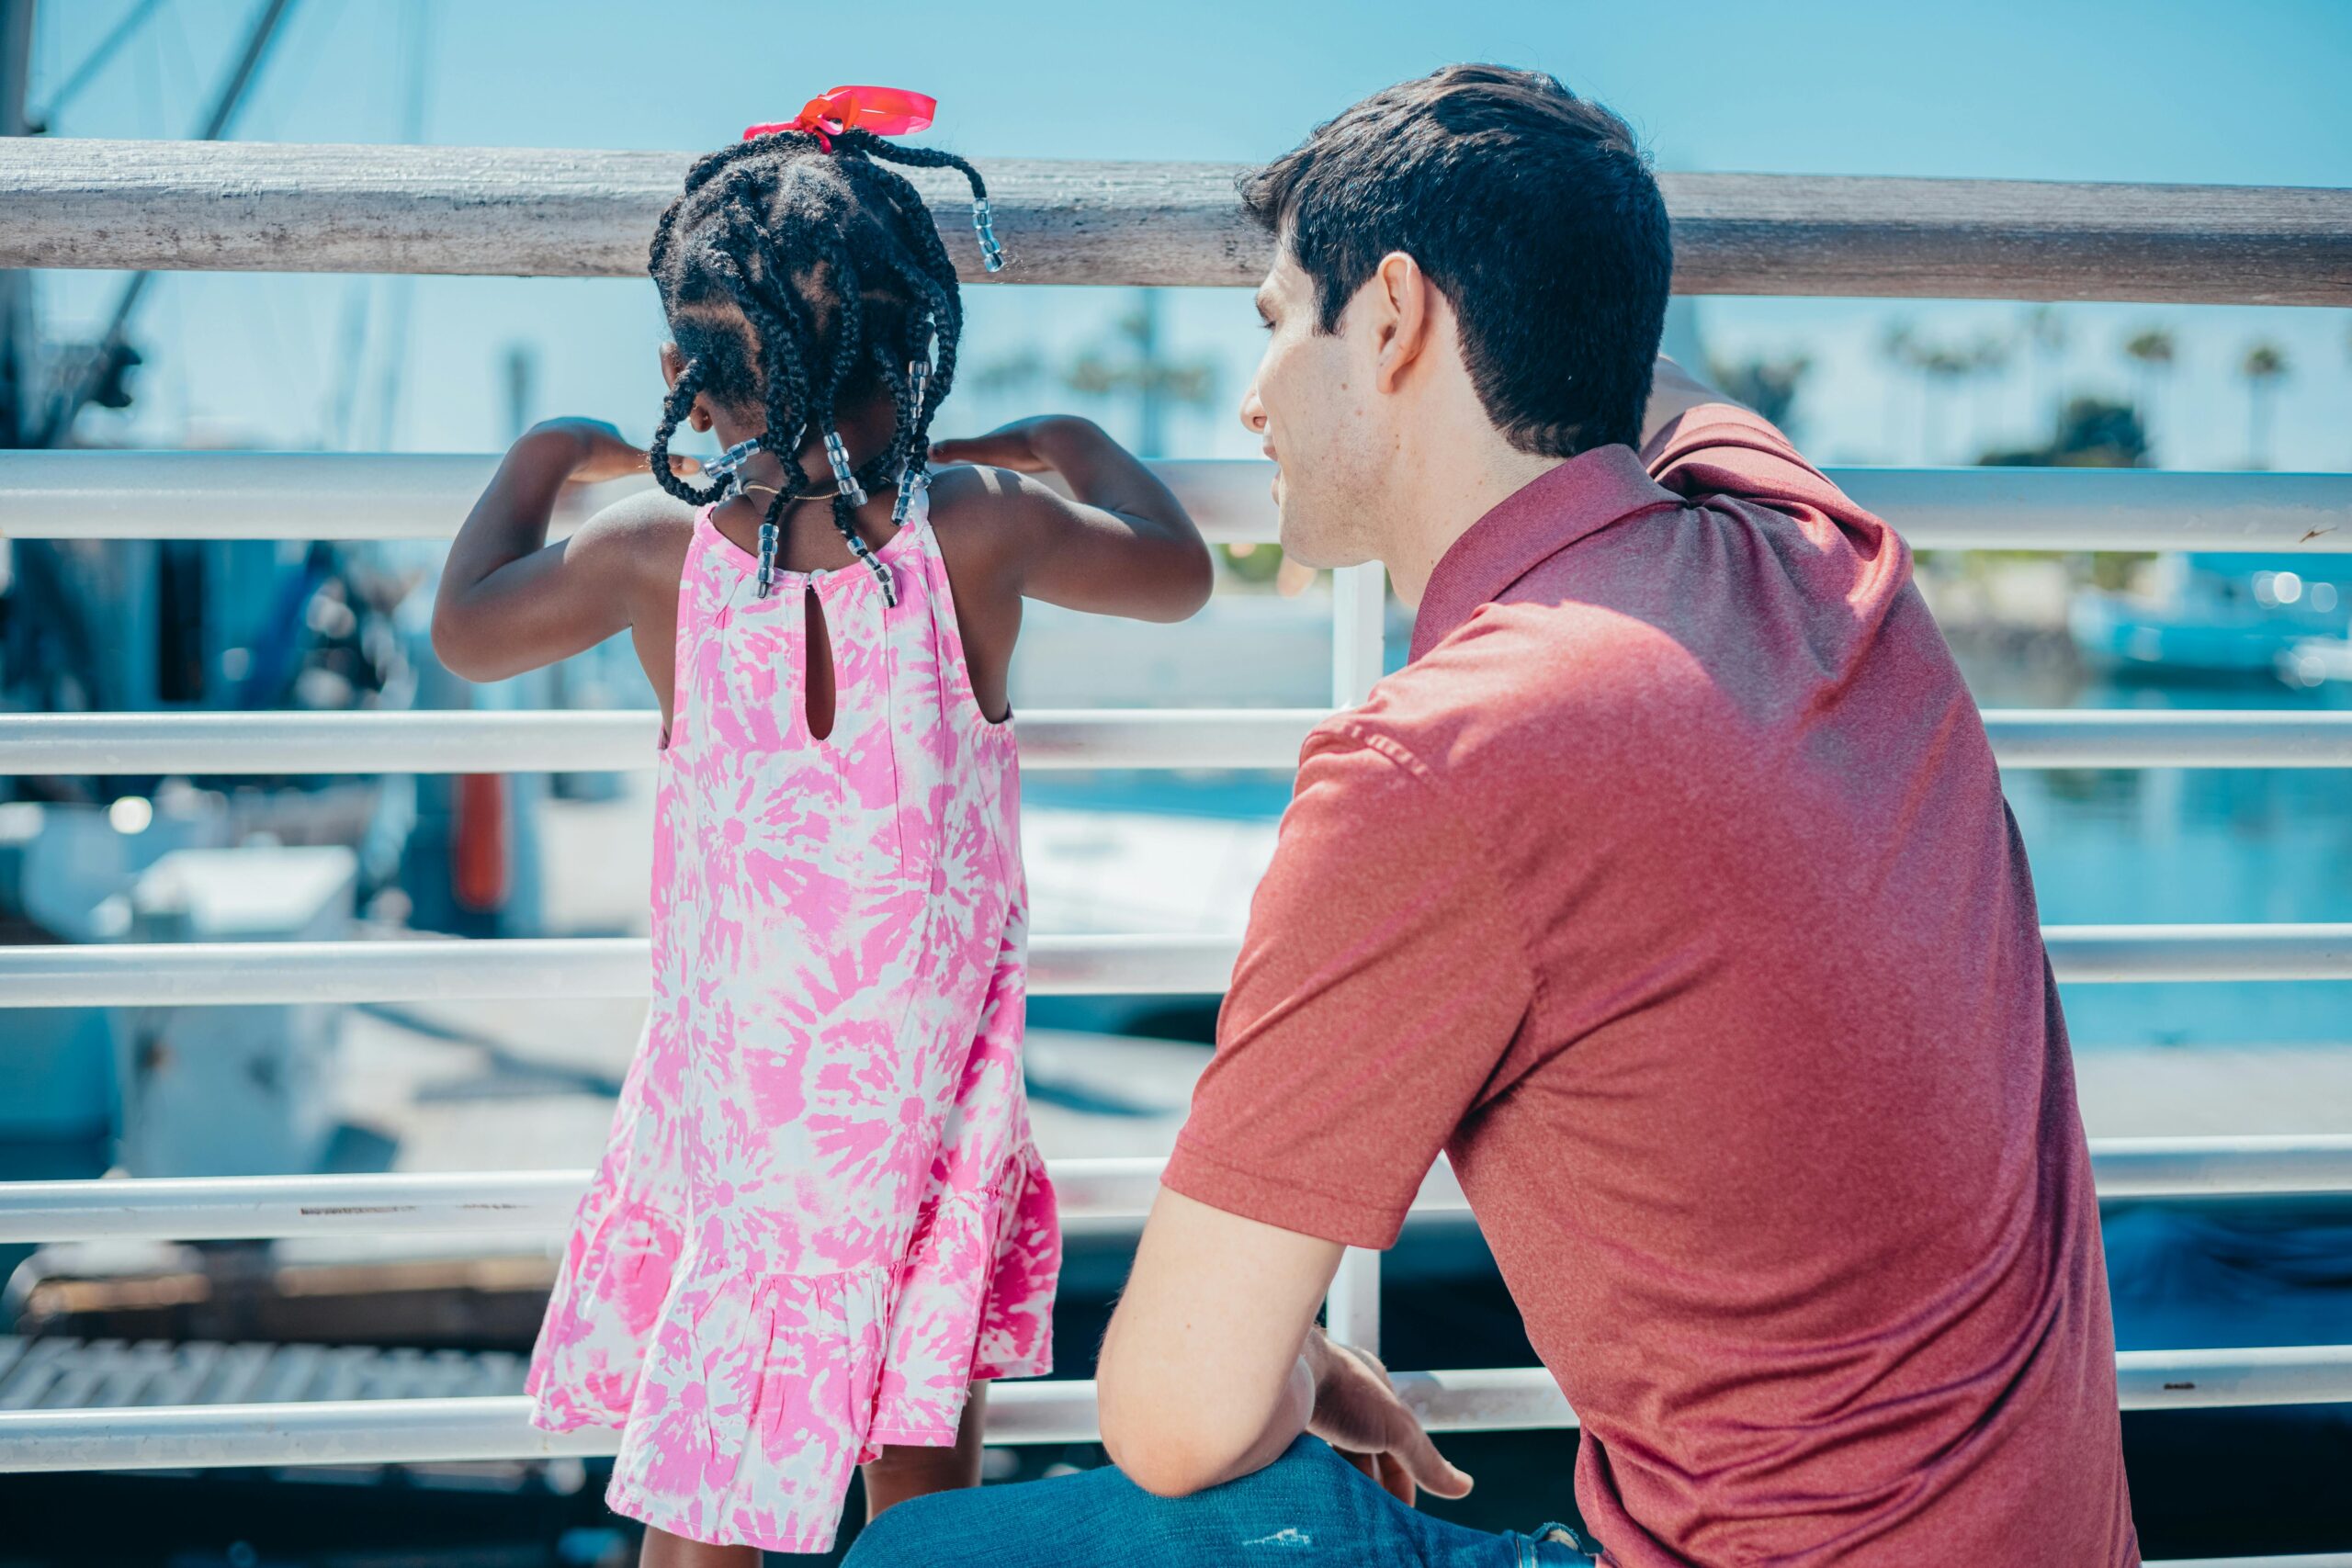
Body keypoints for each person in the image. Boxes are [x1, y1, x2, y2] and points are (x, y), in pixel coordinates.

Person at [848, 64, 2138, 1568]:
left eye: (1278, 324)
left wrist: (1265, 1354)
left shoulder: (1436, 764)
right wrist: (1520, 232)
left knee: (913, 1561)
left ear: (1392, 318)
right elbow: (1649, 383)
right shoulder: (1828, 556)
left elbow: (1174, 1421)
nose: (1252, 401)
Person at [431, 88, 1214, 1566]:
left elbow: (467, 634)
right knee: (926, 1502)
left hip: (740, 1131)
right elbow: (1180, 575)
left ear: (684, 375)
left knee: (710, 1495)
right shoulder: (977, 521)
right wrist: (1074, 440)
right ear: (918, 346)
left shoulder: (654, 552)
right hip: (918, 1114)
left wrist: (547, 456)